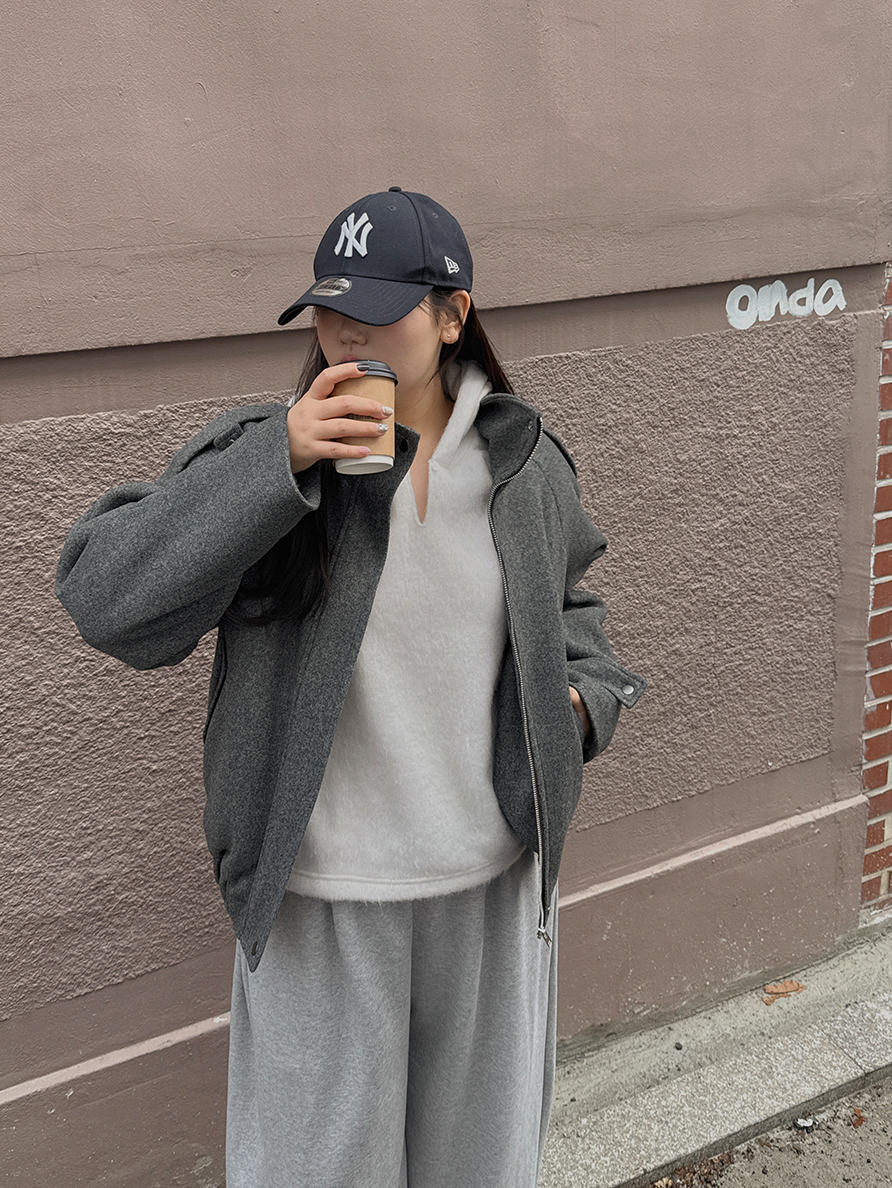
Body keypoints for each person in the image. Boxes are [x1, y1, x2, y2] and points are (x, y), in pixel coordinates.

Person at [56, 187, 645, 1188]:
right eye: (330, 308)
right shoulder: (265, 453)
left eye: (376, 309)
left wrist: (580, 707)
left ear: (453, 316)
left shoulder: (523, 464)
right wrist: (279, 461)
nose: (345, 334)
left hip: (494, 892)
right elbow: (105, 600)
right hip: (322, 901)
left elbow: (572, 609)